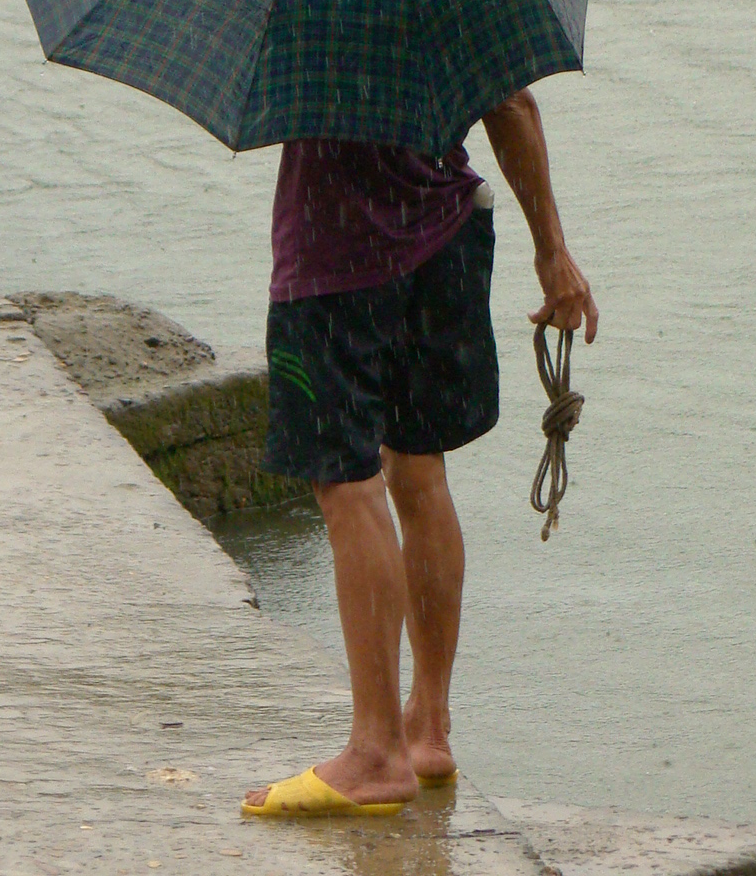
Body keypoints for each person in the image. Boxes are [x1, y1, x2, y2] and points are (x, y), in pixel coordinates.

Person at [241, 86, 599, 819]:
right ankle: (427, 728)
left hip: (336, 255)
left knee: (347, 485)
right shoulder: (451, 6)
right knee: (417, 465)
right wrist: (552, 252)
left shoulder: (310, 12)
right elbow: (513, 106)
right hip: (446, 235)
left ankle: (376, 753)